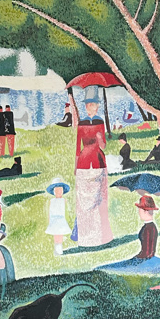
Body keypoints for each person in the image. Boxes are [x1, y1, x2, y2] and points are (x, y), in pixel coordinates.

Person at [72, 88, 113, 247]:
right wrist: (76, 166)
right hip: (84, 162)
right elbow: (78, 147)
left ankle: (102, 237)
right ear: (85, 106)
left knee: (100, 199)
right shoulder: (81, 123)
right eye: (89, 105)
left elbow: (103, 146)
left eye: (94, 104)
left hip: (98, 161)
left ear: (97, 106)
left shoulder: (100, 122)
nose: (91, 107)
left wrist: (100, 138)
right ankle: (85, 237)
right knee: (83, 200)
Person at [44, 178, 72, 257]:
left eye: (61, 190)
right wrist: (49, 220)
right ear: (54, 191)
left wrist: (67, 219)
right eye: (57, 190)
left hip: (61, 219)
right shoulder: (52, 201)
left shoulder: (64, 200)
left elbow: (66, 211)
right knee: (56, 234)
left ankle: (60, 248)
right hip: (54, 220)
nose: (59, 192)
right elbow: (50, 211)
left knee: (60, 234)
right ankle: (57, 248)